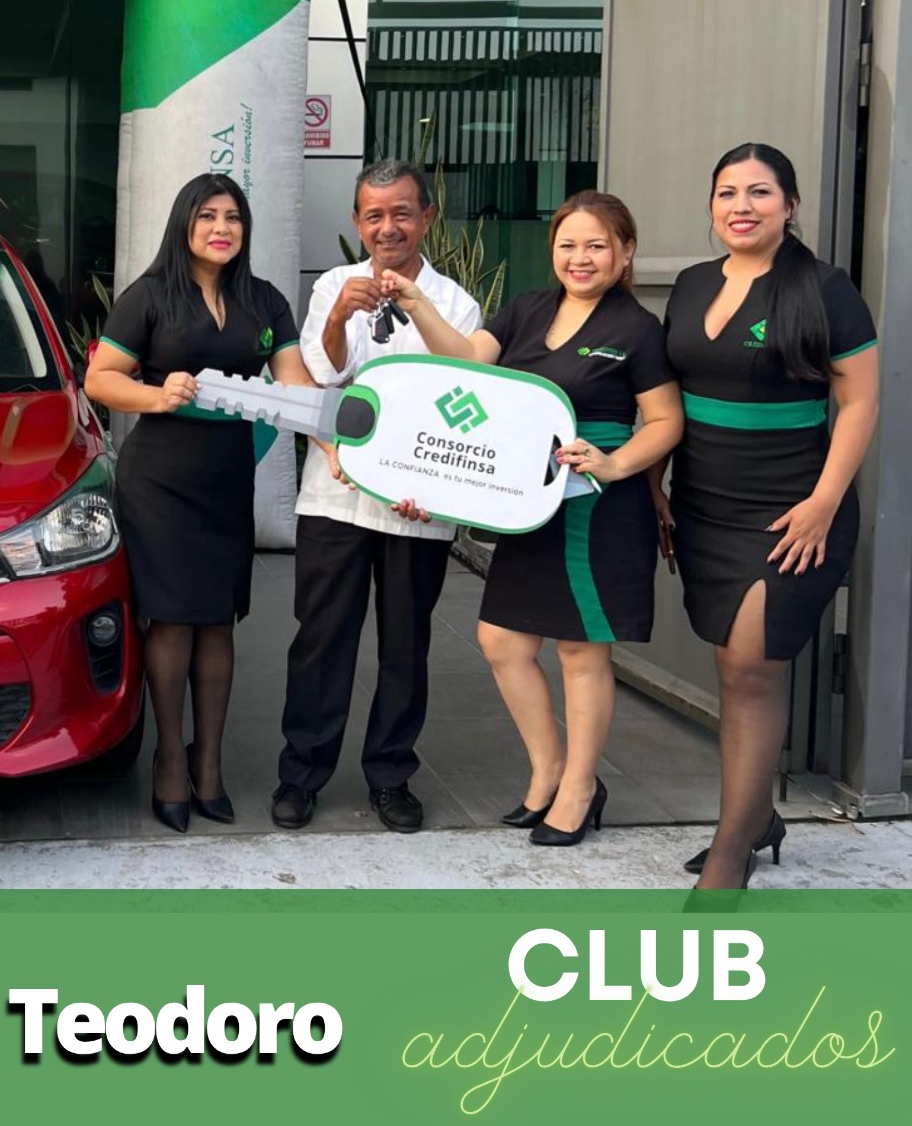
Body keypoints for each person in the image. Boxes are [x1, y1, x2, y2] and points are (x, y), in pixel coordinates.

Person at [380, 192, 682, 846]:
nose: (581, 257)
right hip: (527, 500)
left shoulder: (637, 329)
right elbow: (463, 364)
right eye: (569, 244)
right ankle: (549, 769)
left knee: (580, 649)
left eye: (597, 245)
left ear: (625, 253)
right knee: (503, 640)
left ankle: (579, 787)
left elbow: (666, 421)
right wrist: (419, 305)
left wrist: (614, 463)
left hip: (593, 508)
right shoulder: (525, 310)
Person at [660, 145, 878, 890]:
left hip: (793, 507)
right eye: (727, 193)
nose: (741, 206)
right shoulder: (690, 286)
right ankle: (758, 816)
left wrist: (822, 502)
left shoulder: (825, 289)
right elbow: (667, 400)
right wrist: (657, 487)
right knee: (728, 662)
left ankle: (731, 852)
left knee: (751, 667)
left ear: (789, 205)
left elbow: (859, 400)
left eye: (759, 192)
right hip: (702, 502)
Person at [85, 174, 326, 833]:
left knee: (217, 622)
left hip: (226, 478)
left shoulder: (265, 301)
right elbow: (101, 379)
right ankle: (169, 759)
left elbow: (295, 384)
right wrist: (157, 395)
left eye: (233, 218)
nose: (222, 228)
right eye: (208, 216)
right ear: (184, 224)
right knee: (172, 622)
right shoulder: (151, 296)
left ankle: (209, 763)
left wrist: (332, 439)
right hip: (160, 480)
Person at [271, 160, 482, 835]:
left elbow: (463, 397)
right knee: (321, 640)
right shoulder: (335, 284)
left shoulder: (455, 303)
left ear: (425, 217)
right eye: (372, 214)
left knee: (405, 644)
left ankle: (391, 775)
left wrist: (436, 484)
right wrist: (336, 316)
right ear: (357, 221)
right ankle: (301, 773)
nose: (387, 226)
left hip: (419, 505)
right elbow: (326, 376)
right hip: (335, 495)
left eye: (401, 212)